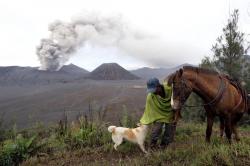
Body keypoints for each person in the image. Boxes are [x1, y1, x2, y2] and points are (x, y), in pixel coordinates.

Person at [140, 77, 176, 149]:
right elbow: (148, 110)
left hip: (169, 113)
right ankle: (152, 147)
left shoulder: (170, 89)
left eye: (154, 90)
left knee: (169, 131)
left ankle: (163, 146)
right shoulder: (151, 96)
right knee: (156, 130)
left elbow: (177, 98)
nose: (153, 92)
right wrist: (145, 122)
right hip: (158, 115)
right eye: (151, 90)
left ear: (159, 86)